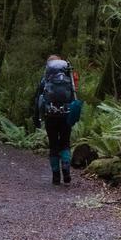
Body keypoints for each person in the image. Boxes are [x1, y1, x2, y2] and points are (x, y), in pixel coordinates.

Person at [32, 55, 78, 185]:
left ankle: (56, 176)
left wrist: (37, 118)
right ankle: (66, 170)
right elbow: (74, 97)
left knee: (53, 145)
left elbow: (38, 99)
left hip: (50, 115)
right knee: (65, 143)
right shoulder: (68, 78)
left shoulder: (45, 79)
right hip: (66, 115)